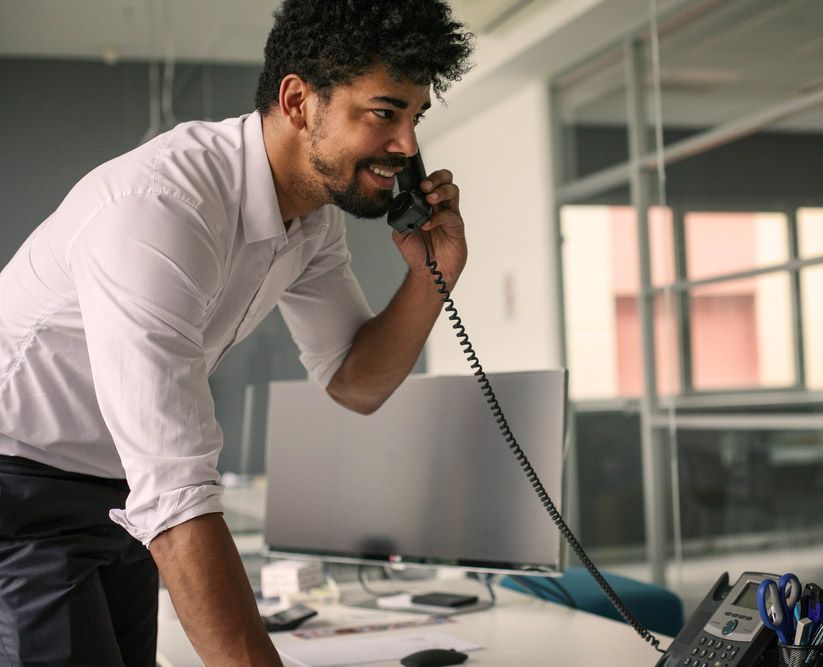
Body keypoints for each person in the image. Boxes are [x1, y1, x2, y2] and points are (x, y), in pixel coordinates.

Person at [0, 1, 474, 664]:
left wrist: (435, 273)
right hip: (20, 485)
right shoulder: (161, 210)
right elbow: (175, 486)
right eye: (384, 112)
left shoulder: (311, 223)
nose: (405, 145)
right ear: (299, 100)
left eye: (414, 119)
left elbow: (354, 381)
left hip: (117, 491)